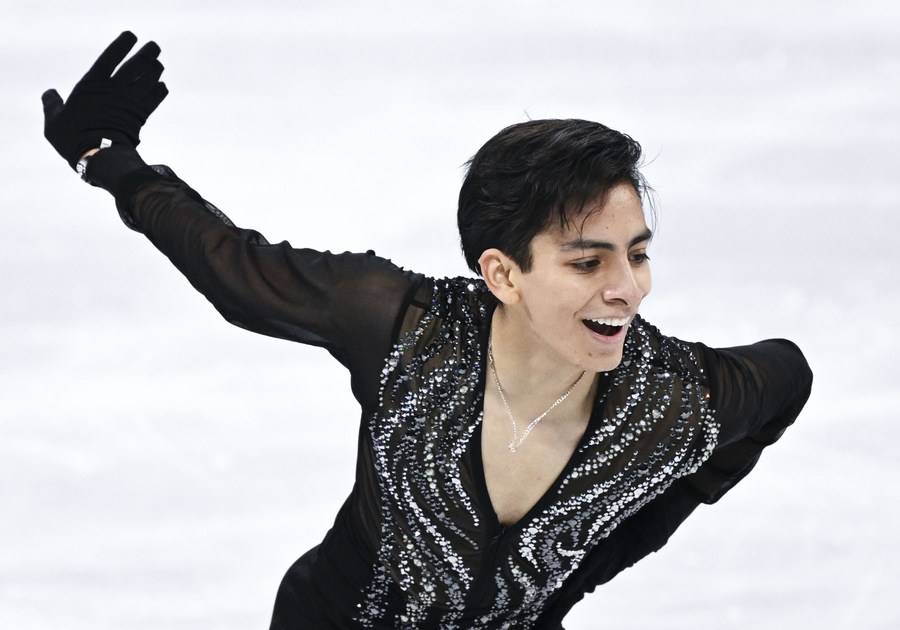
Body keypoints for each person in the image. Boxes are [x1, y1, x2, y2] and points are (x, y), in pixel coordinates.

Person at [42, 32, 812, 629]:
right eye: (588, 262)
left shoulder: (669, 400)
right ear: (503, 273)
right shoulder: (407, 332)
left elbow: (787, 380)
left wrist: (605, 548)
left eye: (638, 254)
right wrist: (110, 161)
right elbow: (237, 271)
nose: (628, 289)